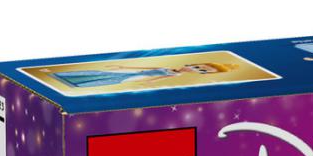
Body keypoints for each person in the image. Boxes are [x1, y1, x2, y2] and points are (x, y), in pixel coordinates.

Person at [51, 61, 232, 89]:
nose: (196, 69)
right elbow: (146, 66)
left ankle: (78, 83)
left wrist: (149, 82)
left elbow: (158, 77)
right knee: (103, 74)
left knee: (109, 80)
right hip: (136, 72)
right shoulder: (170, 68)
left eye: (201, 71)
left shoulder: (175, 76)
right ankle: (66, 78)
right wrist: (123, 66)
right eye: (199, 67)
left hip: (138, 77)